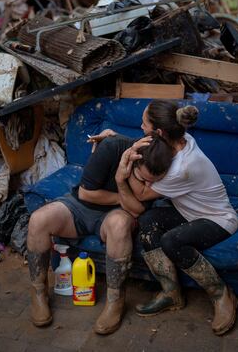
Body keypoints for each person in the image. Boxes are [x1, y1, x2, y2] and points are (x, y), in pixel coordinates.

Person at [89, 100, 238, 336]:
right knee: (148, 222)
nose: (140, 126)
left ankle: (221, 294)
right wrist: (113, 138)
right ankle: (171, 294)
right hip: (188, 213)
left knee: (171, 241)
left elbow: (140, 194)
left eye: (143, 123)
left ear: (158, 132)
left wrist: (124, 166)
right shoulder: (179, 139)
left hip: (217, 219)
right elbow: (146, 147)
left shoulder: (182, 167)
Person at [27, 133, 173, 335]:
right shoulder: (112, 147)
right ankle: (38, 292)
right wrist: (124, 197)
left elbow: (137, 210)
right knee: (38, 220)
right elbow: (86, 194)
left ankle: (115, 301)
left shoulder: (162, 166)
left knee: (120, 224)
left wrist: (122, 184)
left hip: (115, 215)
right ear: (132, 159)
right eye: (143, 179)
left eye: (153, 183)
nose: (147, 187)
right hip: (81, 206)